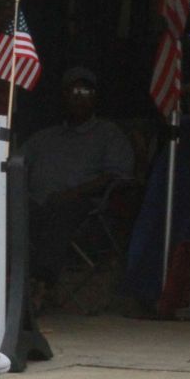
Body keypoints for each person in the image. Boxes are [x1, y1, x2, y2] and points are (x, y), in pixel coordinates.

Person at [22, 66, 135, 308]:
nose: (78, 95)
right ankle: (8, 283)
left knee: (60, 210)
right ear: (63, 96)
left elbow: (118, 175)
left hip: (84, 208)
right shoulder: (44, 137)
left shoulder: (108, 133)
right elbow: (12, 164)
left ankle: (41, 284)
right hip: (35, 203)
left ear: (95, 96)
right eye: (73, 90)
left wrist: (74, 192)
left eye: (85, 90)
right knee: (9, 209)